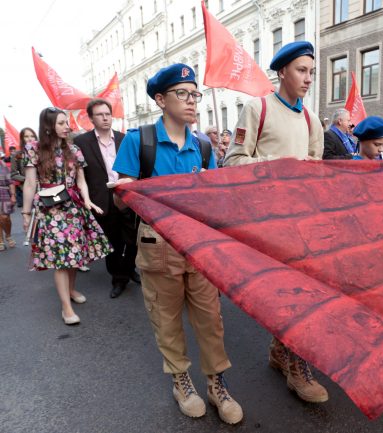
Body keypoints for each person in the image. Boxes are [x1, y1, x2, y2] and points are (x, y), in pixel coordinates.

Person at [112, 64, 243, 424]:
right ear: (160, 99)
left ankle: (217, 383)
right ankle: (181, 381)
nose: (191, 101)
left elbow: (214, 200)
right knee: (166, 319)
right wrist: (125, 190)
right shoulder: (140, 142)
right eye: (182, 93)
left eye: (195, 94)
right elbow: (121, 203)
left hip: (199, 247)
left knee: (211, 320)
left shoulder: (202, 145)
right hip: (157, 245)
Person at [224, 41, 328, 404]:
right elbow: (232, 163)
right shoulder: (259, 109)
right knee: (290, 296)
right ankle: (291, 361)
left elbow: (315, 172)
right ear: (282, 72)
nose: (308, 78)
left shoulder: (313, 120)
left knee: (306, 295)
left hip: (304, 224)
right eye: (302, 70)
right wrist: (278, 164)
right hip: (269, 224)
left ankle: (287, 355)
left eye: (312, 72)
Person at [21, 107, 112, 324]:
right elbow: (30, 183)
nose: (66, 127)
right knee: (61, 259)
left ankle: (71, 290)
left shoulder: (74, 149)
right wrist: (26, 213)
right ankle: (66, 308)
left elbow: (81, 180)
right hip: (49, 210)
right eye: (61, 123)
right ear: (48, 127)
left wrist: (88, 201)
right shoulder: (33, 148)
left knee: (74, 254)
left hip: (73, 208)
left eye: (66, 123)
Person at [74, 98, 138, 299]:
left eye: (107, 114)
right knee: (112, 244)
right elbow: (79, 174)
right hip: (101, 200)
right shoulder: (81, 142)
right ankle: (118, 279)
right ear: (91, 118)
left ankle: (128, 269)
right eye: (100, 114)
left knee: (134, 240)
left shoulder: (124, 138)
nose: (105, 118)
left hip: (126, 197)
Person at [0, 153, 17, 251]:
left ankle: (8, 235)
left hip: (4, 193)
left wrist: (13, 195)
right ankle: (0, 241)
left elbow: (11, 182)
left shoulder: (3, 167)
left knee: (5, 218)